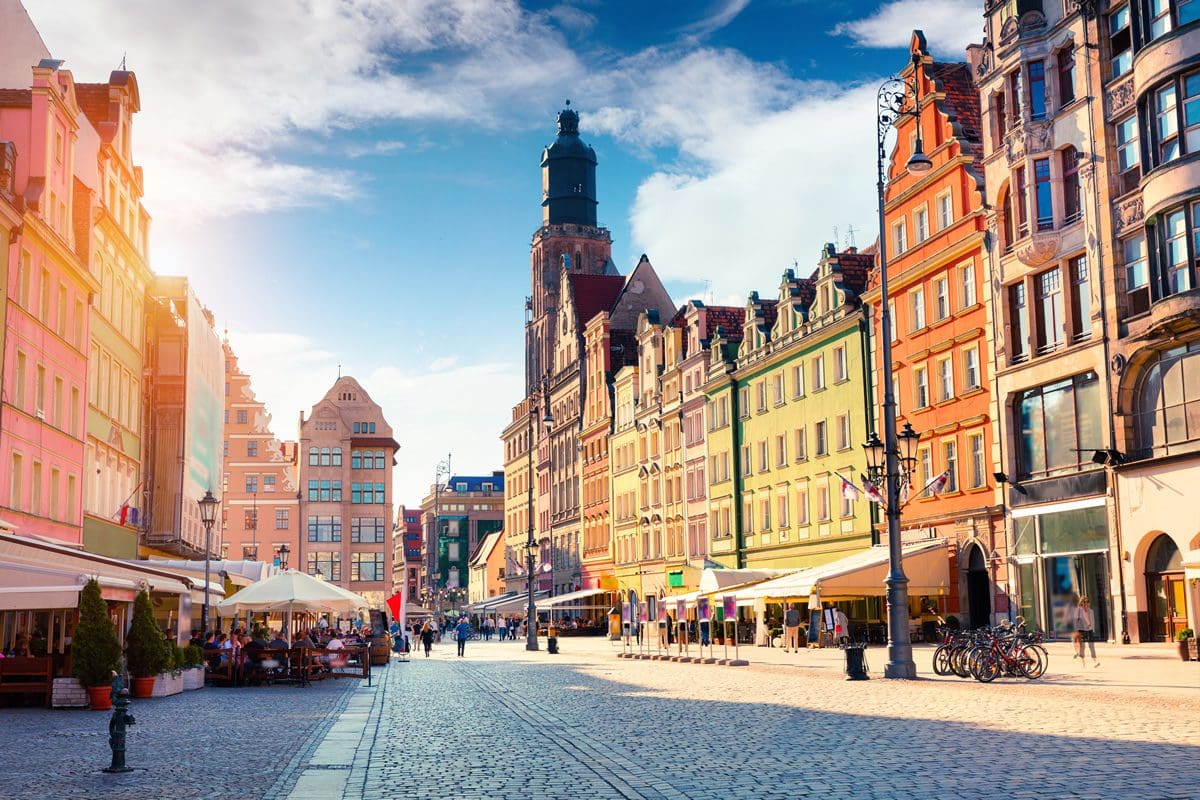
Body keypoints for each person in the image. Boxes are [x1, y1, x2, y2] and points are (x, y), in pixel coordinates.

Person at [1073, 596, 1098, 668]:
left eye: (1087, 602)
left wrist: (1093, 630)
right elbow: (1075, 621)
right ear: (1081, 603)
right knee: (1082, 647)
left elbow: (1092, 621)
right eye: (1084, 602)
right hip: (1081, 630)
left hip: (1089, 630)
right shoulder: (1078, 611)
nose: (1086, 603)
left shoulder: (1091, 611)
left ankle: (1095, 662)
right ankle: (1083, 663)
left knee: (1091, 646)